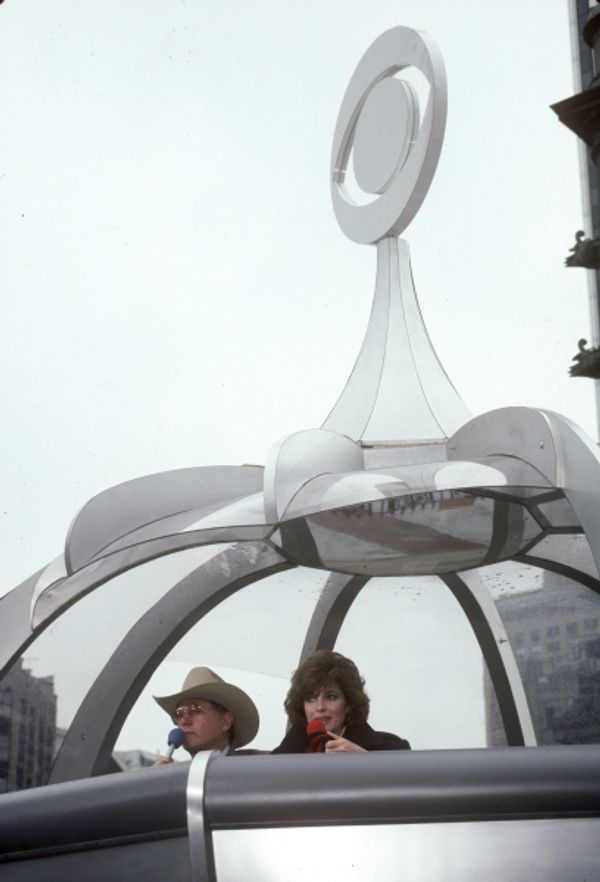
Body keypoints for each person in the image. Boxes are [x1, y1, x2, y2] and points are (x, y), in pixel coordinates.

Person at [272, 650, 410, 753]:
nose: (320, 707)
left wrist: (366, 762)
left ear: (349, 704)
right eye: (310, 699)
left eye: (331, 697)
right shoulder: (287, 751)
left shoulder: (392, 750)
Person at [152, 666, 259, 763]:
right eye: (179, 714)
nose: (184, 721)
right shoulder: (176, 778)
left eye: (194, 710)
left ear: (225, 722)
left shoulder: (254, 772)